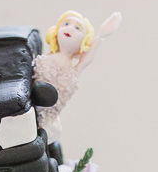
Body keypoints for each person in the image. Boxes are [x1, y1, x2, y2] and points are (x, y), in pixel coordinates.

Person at [33, 10, 122, 144]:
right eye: (66, 23)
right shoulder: (43, 60)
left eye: (77, 28)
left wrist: (101, 35)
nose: (70, 28)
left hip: (46, 124)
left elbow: (86, 61)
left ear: (84, 41)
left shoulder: (73, 71)